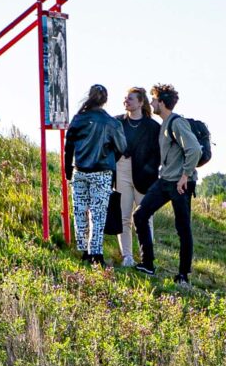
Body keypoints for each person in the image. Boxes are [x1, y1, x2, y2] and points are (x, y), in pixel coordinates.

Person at [129, 83, 207, 287]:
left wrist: (185, 176)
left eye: (154, 99)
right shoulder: (164, 124)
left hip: (181, 183)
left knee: (183, 229)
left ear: (162, 102)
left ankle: (183, 276)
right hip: (165, 181)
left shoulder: (176, 123)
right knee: (140, 214)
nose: (151, 102)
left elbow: (194, 150)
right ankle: (148, 264)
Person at [62, 84, 123, 268]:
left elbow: (69, 146)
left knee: (80, 211)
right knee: (98, 215)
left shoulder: (78, 118)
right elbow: (122, 148)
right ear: (105, 100)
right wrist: (110, 158)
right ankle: (96, 253)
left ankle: (84, 251)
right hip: (102, 172)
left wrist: (68, 168)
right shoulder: (112, 123)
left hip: (80, 171)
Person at [110, 86, 156, 267]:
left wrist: (150, 170)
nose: (126, 101)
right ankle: (127, 257)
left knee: (145, 216)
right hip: (122, 170)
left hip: (144, 174)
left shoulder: (152, 126)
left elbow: (157, 153)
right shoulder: (117, 122)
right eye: (125, 98)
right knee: (124, 216)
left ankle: (147, 258)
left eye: (130, 99)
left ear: (140, 102)